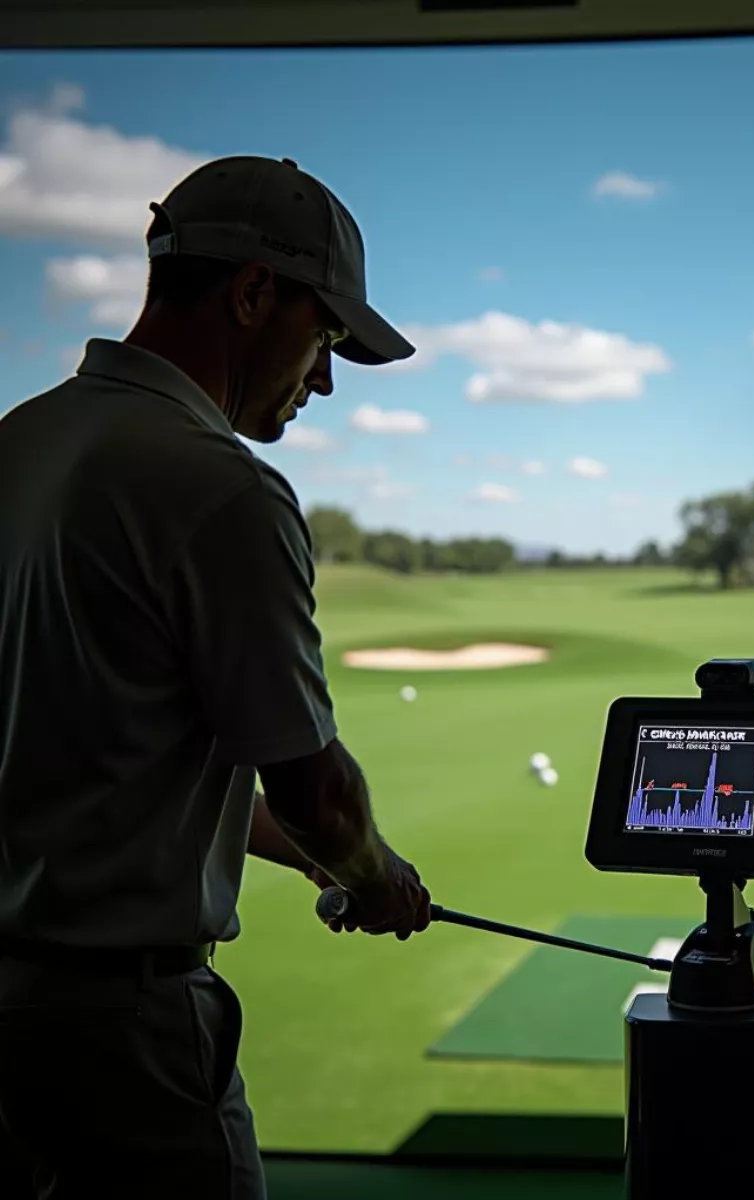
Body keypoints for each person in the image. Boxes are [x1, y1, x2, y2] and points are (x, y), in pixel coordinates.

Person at [0, 155, 433, 1199]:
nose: (322, 378)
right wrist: (372, 875)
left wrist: (324, 864)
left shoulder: (22, 442)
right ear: (252, 295)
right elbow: (316, 790)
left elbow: (123, 759)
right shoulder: (221, 487)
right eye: (323, 336)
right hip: (125, 1035)